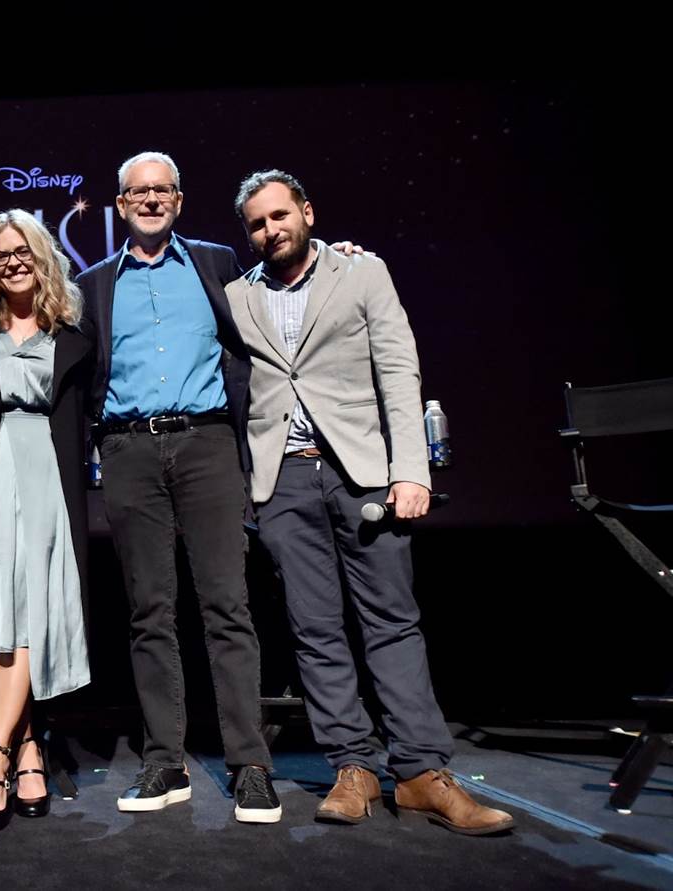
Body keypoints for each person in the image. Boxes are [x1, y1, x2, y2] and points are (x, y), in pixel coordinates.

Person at [226, 169, 514, 835]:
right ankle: (352, 766)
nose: (271, 230)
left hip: (362, 473)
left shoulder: (361, 272)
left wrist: (410, 470)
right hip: (284, 481)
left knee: (392, 622)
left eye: (279, 215)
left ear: (306, 211)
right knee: (315, 628)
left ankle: (420, 772)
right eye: (258, 224)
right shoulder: (239, 296)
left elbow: (398, 367)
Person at [75, 152, 282, 823]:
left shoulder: (218, 263)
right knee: (150, 612)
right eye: (137, 191)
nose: (150, 199)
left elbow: (281, 289)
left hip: (210, 443)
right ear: (120, 201)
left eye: (161, 190)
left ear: (180, 200)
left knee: (227, 606)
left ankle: (249, 764)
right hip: (129, 450)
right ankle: (165, 759)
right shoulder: (93, 283)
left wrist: (340, 254)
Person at [0, 210, 95, 832]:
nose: (13, 261)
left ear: (42, 257)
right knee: (6, 603)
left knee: (37, 600)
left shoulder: (75, 331)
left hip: (50, 471)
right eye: (0, 254)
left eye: (24, 251)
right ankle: (25, 745)